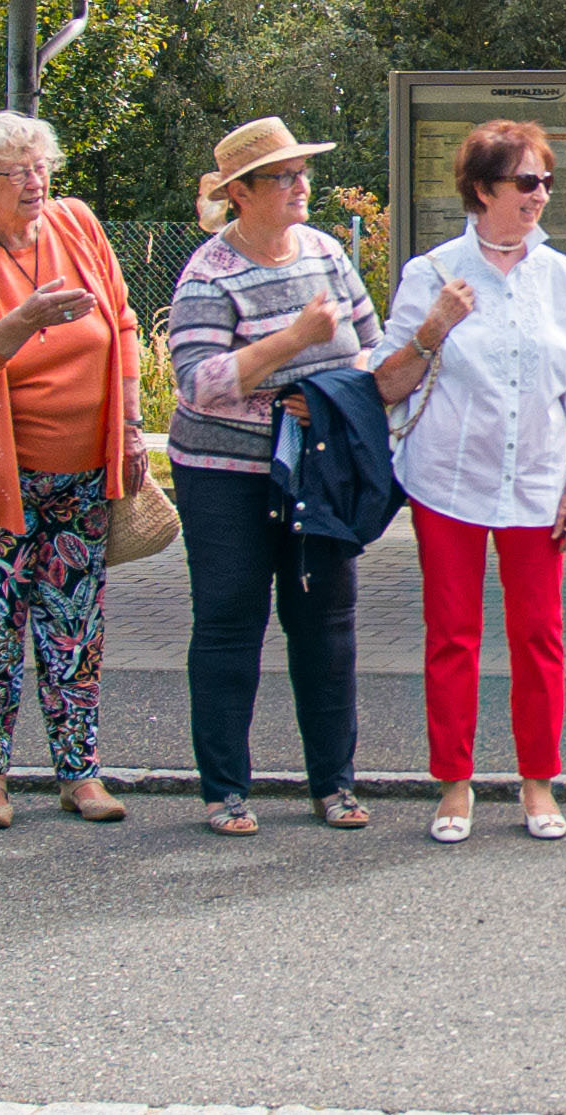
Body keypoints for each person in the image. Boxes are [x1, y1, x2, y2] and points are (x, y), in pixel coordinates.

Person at [167, 116, 473, 836]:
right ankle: (223, 790)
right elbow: (196, 381)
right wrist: (293, 343)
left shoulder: (328, 253)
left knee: (326, 625)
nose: (300, 184)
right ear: (239, 193)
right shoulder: (209, 274)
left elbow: (370, 349)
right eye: (282, 175)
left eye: (302, 171)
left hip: (317, 468)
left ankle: (334, 784)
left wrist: (338, 389)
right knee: (228, 623)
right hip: (226, 473)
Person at [374, 119, 566, 845]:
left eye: (545, 180)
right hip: (449, 479)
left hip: (536, 480)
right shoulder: (431, 273)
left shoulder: (560, 275)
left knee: (538, 635)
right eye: (525, 181)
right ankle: (453, 783)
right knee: (453, 634)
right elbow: (386, 383)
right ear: (482, 190)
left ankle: (537, 781)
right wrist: (431, 328)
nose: (539, 194)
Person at [0, 111, 144, 832]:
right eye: (15, 171)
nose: (34, 181)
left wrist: (133, 426)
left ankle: (79, 771)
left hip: (82, 473)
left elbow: (123, 324)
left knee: (75, 625)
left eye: (39, 165)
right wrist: (24, 318)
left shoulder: (77, 224)